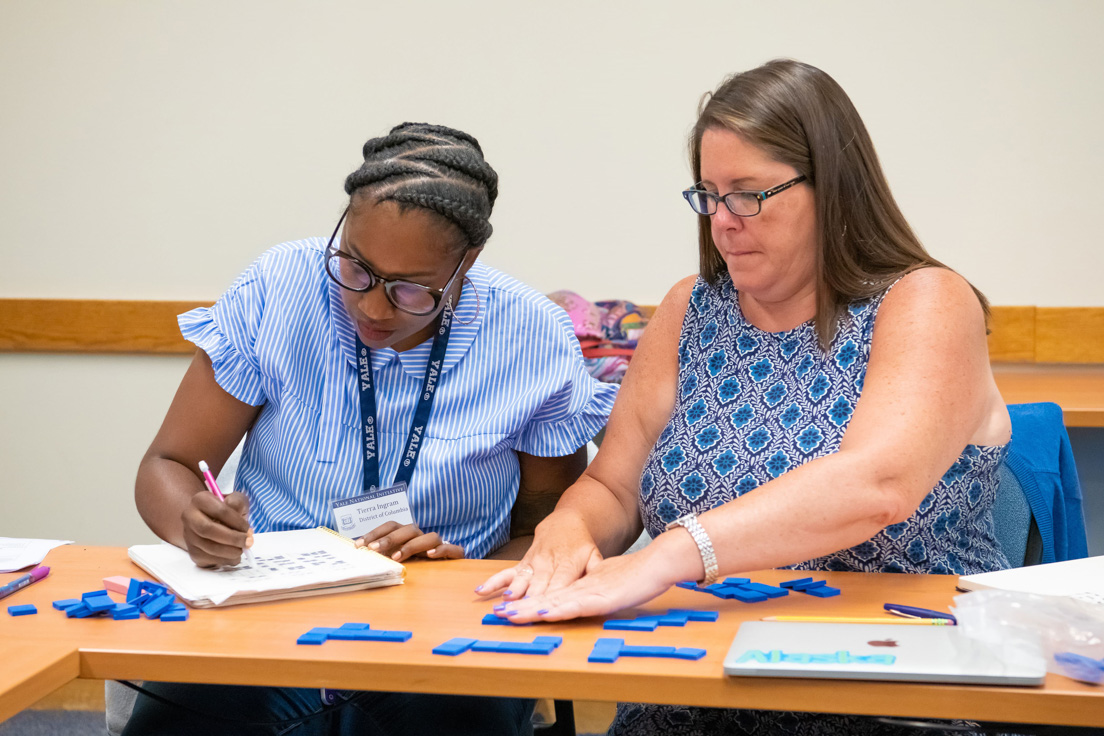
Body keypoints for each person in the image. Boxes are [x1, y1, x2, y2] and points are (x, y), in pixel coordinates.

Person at [481, 61, 1013, 735]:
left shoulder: (926, 302)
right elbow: (616, 487)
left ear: (833, 188)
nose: (722, 223)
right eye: (707, 196)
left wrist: (664, 556)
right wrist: (567, 528)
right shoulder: (689, 309)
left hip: (894, 697)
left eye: (748, 194)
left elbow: (876, 485)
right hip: (696, 687)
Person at [127, 122, 617, 735]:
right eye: (355, 268)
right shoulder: (278, 289)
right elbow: (168, 465)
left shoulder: (531, 334)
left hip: (442, 628)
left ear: (468, 263)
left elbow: (549, 533)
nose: (373, 307)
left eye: (411, 289)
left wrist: (470, 574)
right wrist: (192, 525)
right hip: (269, 615)